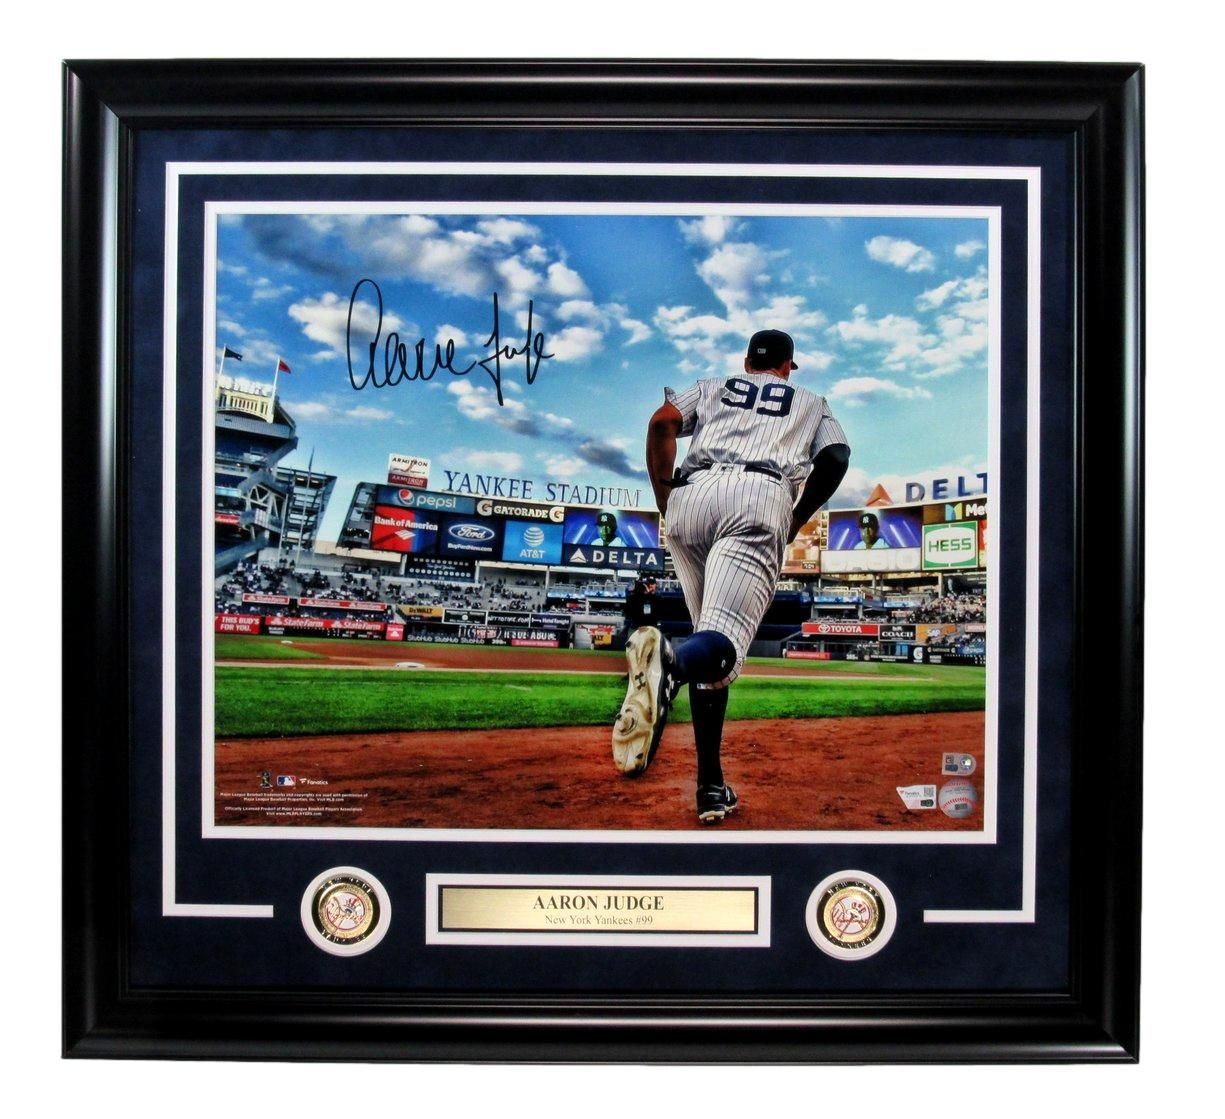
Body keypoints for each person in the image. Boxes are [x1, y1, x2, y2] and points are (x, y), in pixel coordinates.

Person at [611, 328, 850, 823]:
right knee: (718, 646)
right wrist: (797, 516)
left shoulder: (712, 385)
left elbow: (662, 424)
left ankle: (711, 785)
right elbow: (836, 456)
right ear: (788, 366)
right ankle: (668, 664)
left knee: (710, 655)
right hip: (758, 497)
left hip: (690, 498)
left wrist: (664, 497)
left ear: (747, 362)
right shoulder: (811, 400)